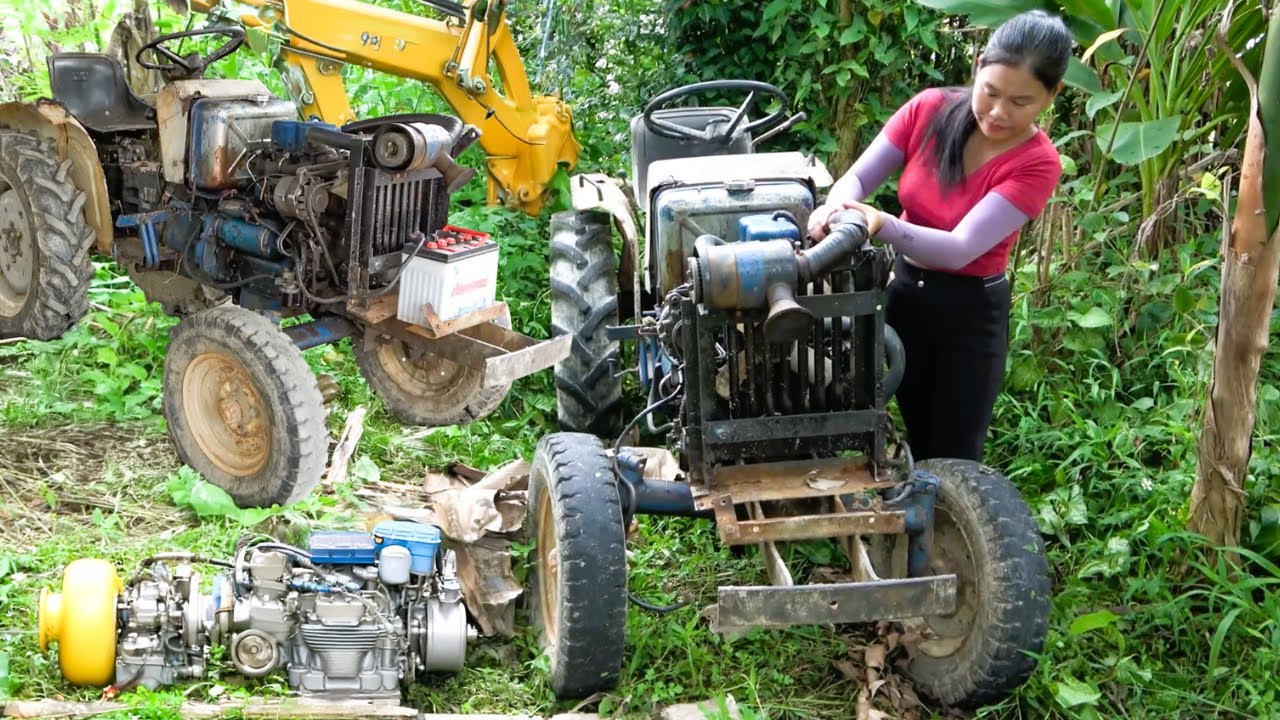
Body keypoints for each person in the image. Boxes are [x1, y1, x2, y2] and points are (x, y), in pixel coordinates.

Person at [807, 10, 1073, 463]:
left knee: (953, 452)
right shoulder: (928, 109)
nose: (998, 112)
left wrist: (881, 222)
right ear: (978, 64)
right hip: (906, 293)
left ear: (1053, 94)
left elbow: (959, 248)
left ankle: (943, 529)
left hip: (969, 314)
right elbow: (855, 180)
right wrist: (837, 206)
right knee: (892, 422)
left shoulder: (1038, 163)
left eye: (1021, 102)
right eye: (990, 92)